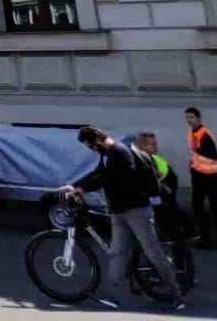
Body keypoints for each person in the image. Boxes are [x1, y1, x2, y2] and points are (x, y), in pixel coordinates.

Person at [66, 125, 184, 310]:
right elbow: (99, 174)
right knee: (117, 254)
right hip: (119, 212)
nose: (90, 149)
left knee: (154, 253)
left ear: (96, 140)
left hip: (137, 211)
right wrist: (74, 186)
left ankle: (175, 294)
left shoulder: (119, 152)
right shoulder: (106, 155)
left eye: (90, 145)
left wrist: (85, 188)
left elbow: (111, 178)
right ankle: (111, 296)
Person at [185, 107, 217, 250]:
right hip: (199, 175)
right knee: (200, 207)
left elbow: (213, 156)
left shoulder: (204, 134)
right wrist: (193, 162)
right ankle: (207, 238)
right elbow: (195, 152)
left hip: (208, 176)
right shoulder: (191, 132)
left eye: (191, 117)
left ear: (198, 118)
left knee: (213, 208)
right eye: (187, 118)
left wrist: (196, 159)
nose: (189, 120)